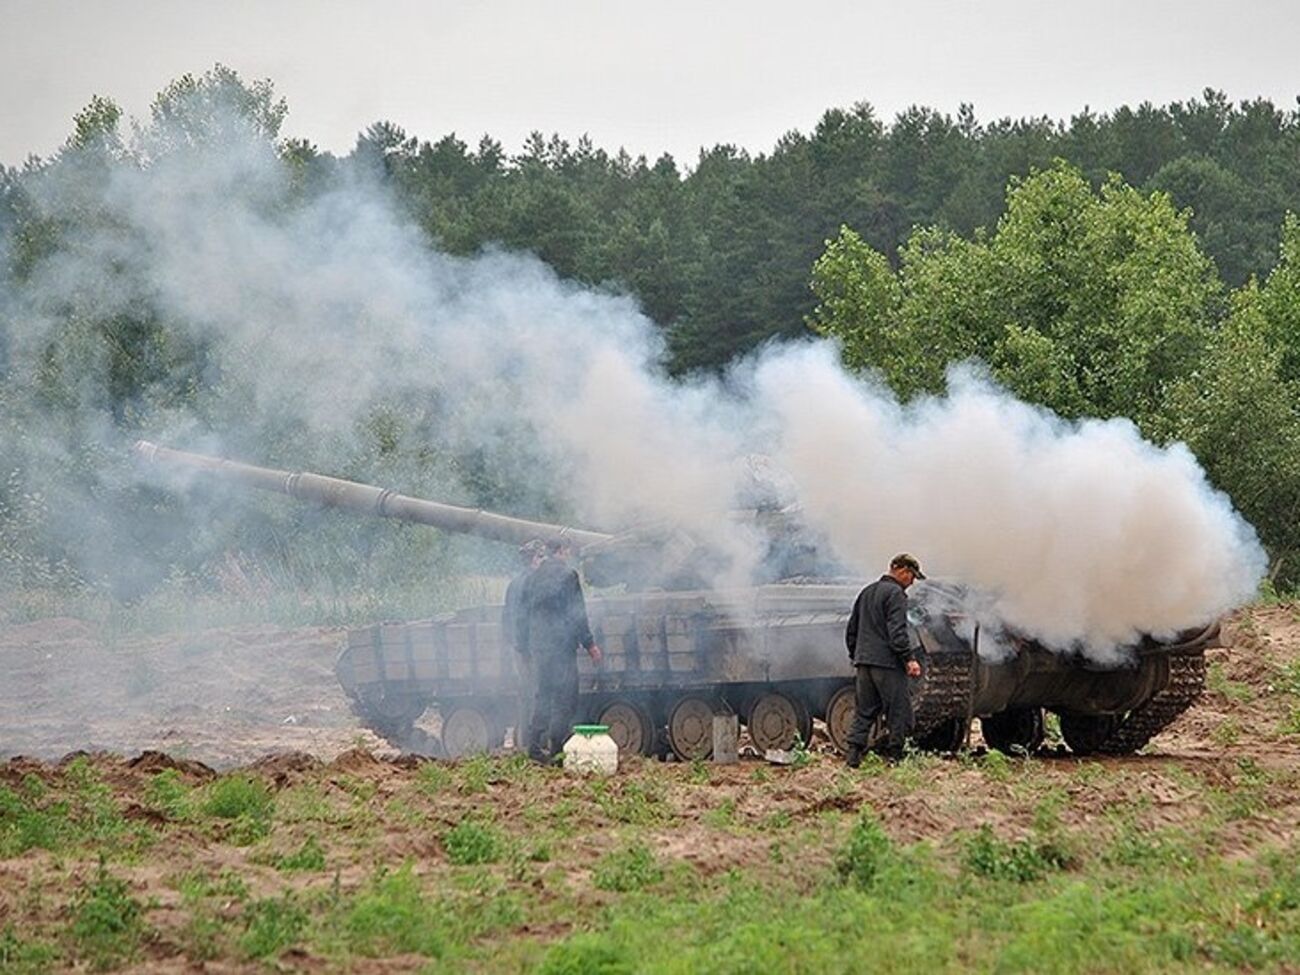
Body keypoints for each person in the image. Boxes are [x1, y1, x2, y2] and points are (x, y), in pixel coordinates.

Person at [517, 537, 602, 763]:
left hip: (539, 647)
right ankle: (556, 747)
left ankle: (534, 747)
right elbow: (577, 614)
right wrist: (590, 644)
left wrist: (523, 647)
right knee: (565, 698)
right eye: (567, 550)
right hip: (562, 646)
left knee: (543, 695)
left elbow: (522, 616)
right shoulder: (568, 576)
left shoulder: (532, 578)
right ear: (562, 551)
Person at [844, 553, 926, 766]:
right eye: (911, 575)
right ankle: (895, 757)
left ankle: (853, 757)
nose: (912, 581)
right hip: (887, 664)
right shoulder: (896, 594)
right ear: (900, 570)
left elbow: (851, 630)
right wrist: (909, 659)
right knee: (899, 711)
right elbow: (897, 632)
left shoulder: (867, 592)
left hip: (865, 662)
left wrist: (858, 656)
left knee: (864, 711)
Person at [502, 539, 546, 750]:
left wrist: (514, 643)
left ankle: (527, 741)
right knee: (535, 693)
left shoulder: (515, 583)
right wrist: (525, 645)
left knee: (527, 694)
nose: (543, 560)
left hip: (520, 647)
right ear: (533, 559)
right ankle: (531, 743)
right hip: (529, 648)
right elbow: (524, 617)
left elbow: (507, 618)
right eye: (540, 556)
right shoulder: (532, 582)